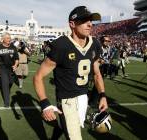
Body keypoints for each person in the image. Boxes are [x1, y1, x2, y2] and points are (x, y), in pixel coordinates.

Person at [33, 6, 108, 140]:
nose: (90, 24)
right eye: (84, 20)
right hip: (67, 100)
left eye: (90, 20)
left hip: (83, 97)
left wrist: (102, 95)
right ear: (72, 24)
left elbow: (97, 73)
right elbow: (38, 76)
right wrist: (44, 104)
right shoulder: (61, 45)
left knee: (69, 128)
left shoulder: (95, 44)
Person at [0, 32, 19, 107]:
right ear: (3, 39)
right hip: (2, 68)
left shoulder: (13, 47)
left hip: (11, 68)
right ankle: (7, 102)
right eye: (7, 38)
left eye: (9, 38)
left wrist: (16, 65)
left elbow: (17, 58)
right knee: (5, 84)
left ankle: (7, 87)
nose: (9, 39)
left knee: (11, 82)